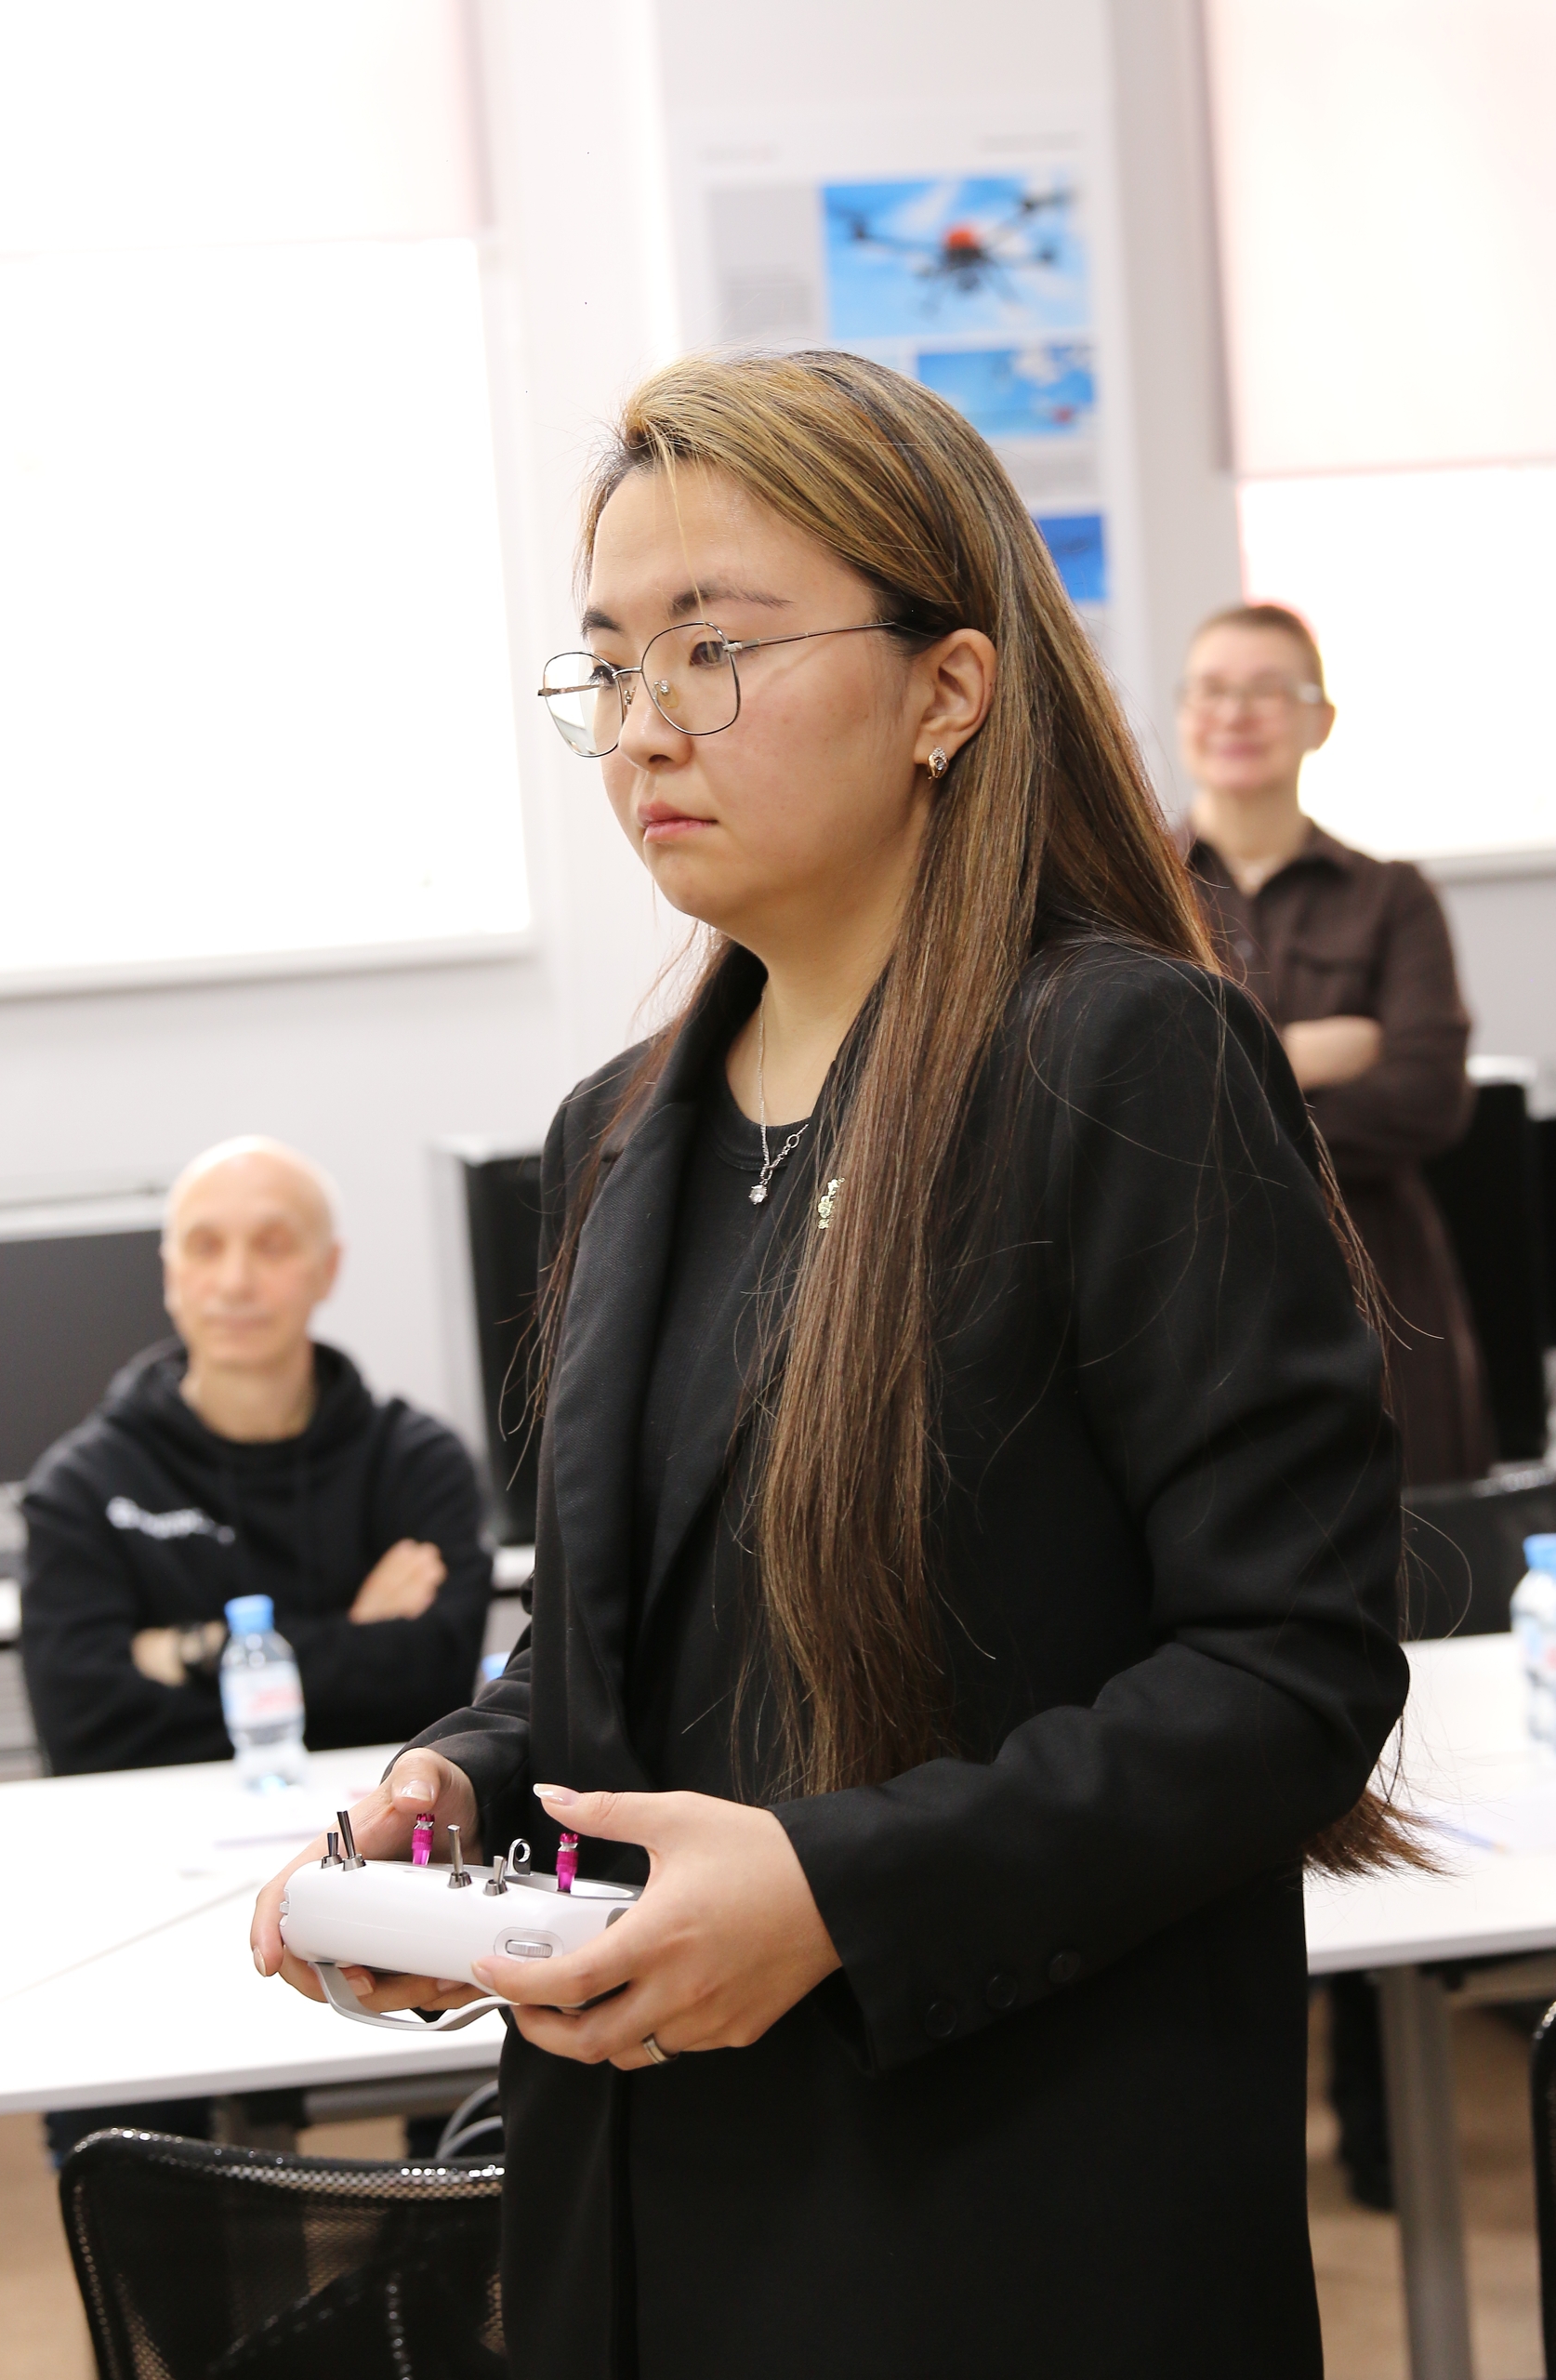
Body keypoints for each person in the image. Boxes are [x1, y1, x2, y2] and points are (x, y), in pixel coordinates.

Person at [253, 353, 1410, 2379]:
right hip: (641, 2206)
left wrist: (833, 1889)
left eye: (712, 650)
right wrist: (461, 1782)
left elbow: (1285, 1673)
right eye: (610, 663)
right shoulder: (613, 1132)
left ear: (946, 690)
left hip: (1007, 2210)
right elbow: (618, 1643)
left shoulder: (1120, 1058)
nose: (643, 724)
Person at [21, 1136, 493, 1774]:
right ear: (170, 1272)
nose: (236, 1282)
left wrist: (191, 1649)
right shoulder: (83, 1487)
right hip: (163, 1822)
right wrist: (353, 1642)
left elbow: (430, 1692)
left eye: (272, 1246)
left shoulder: (419, 1465)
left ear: (328, 1268)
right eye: (205, 1246)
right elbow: (86, 1731)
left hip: (380, 1815)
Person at [1177, 603, 1493, 1489]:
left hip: (1380, 1289)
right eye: (1211, 690)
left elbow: (1426, 1098)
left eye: (1266, 691)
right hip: (1190, 1279)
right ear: (1182, 713)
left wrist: (1219, 1099)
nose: (1234, 714)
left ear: (1320, 722)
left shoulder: (1392, 898)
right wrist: (1299, 1056)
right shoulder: (1129, 894)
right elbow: (1117, 1090)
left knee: (1417, 1546)